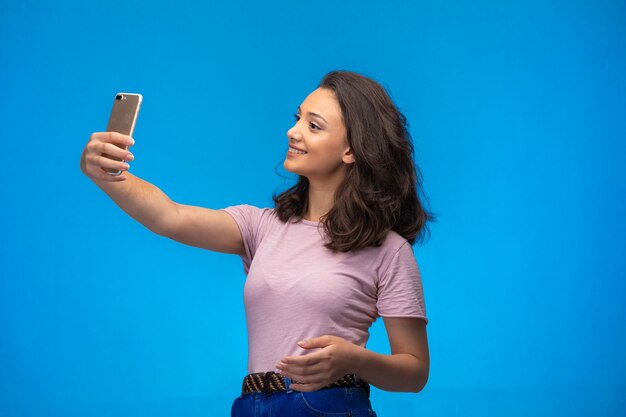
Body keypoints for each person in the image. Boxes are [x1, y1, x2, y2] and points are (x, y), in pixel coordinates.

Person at [80, 70, 434, 417]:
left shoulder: (388, 251)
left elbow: (414, 371)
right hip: (252, 405)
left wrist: (354, 359)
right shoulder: (261, 226)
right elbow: (169, 216)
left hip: (328, 405)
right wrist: (109, 175)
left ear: (351, 150)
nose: (292, 132)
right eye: (298, 118)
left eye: (313, 125)